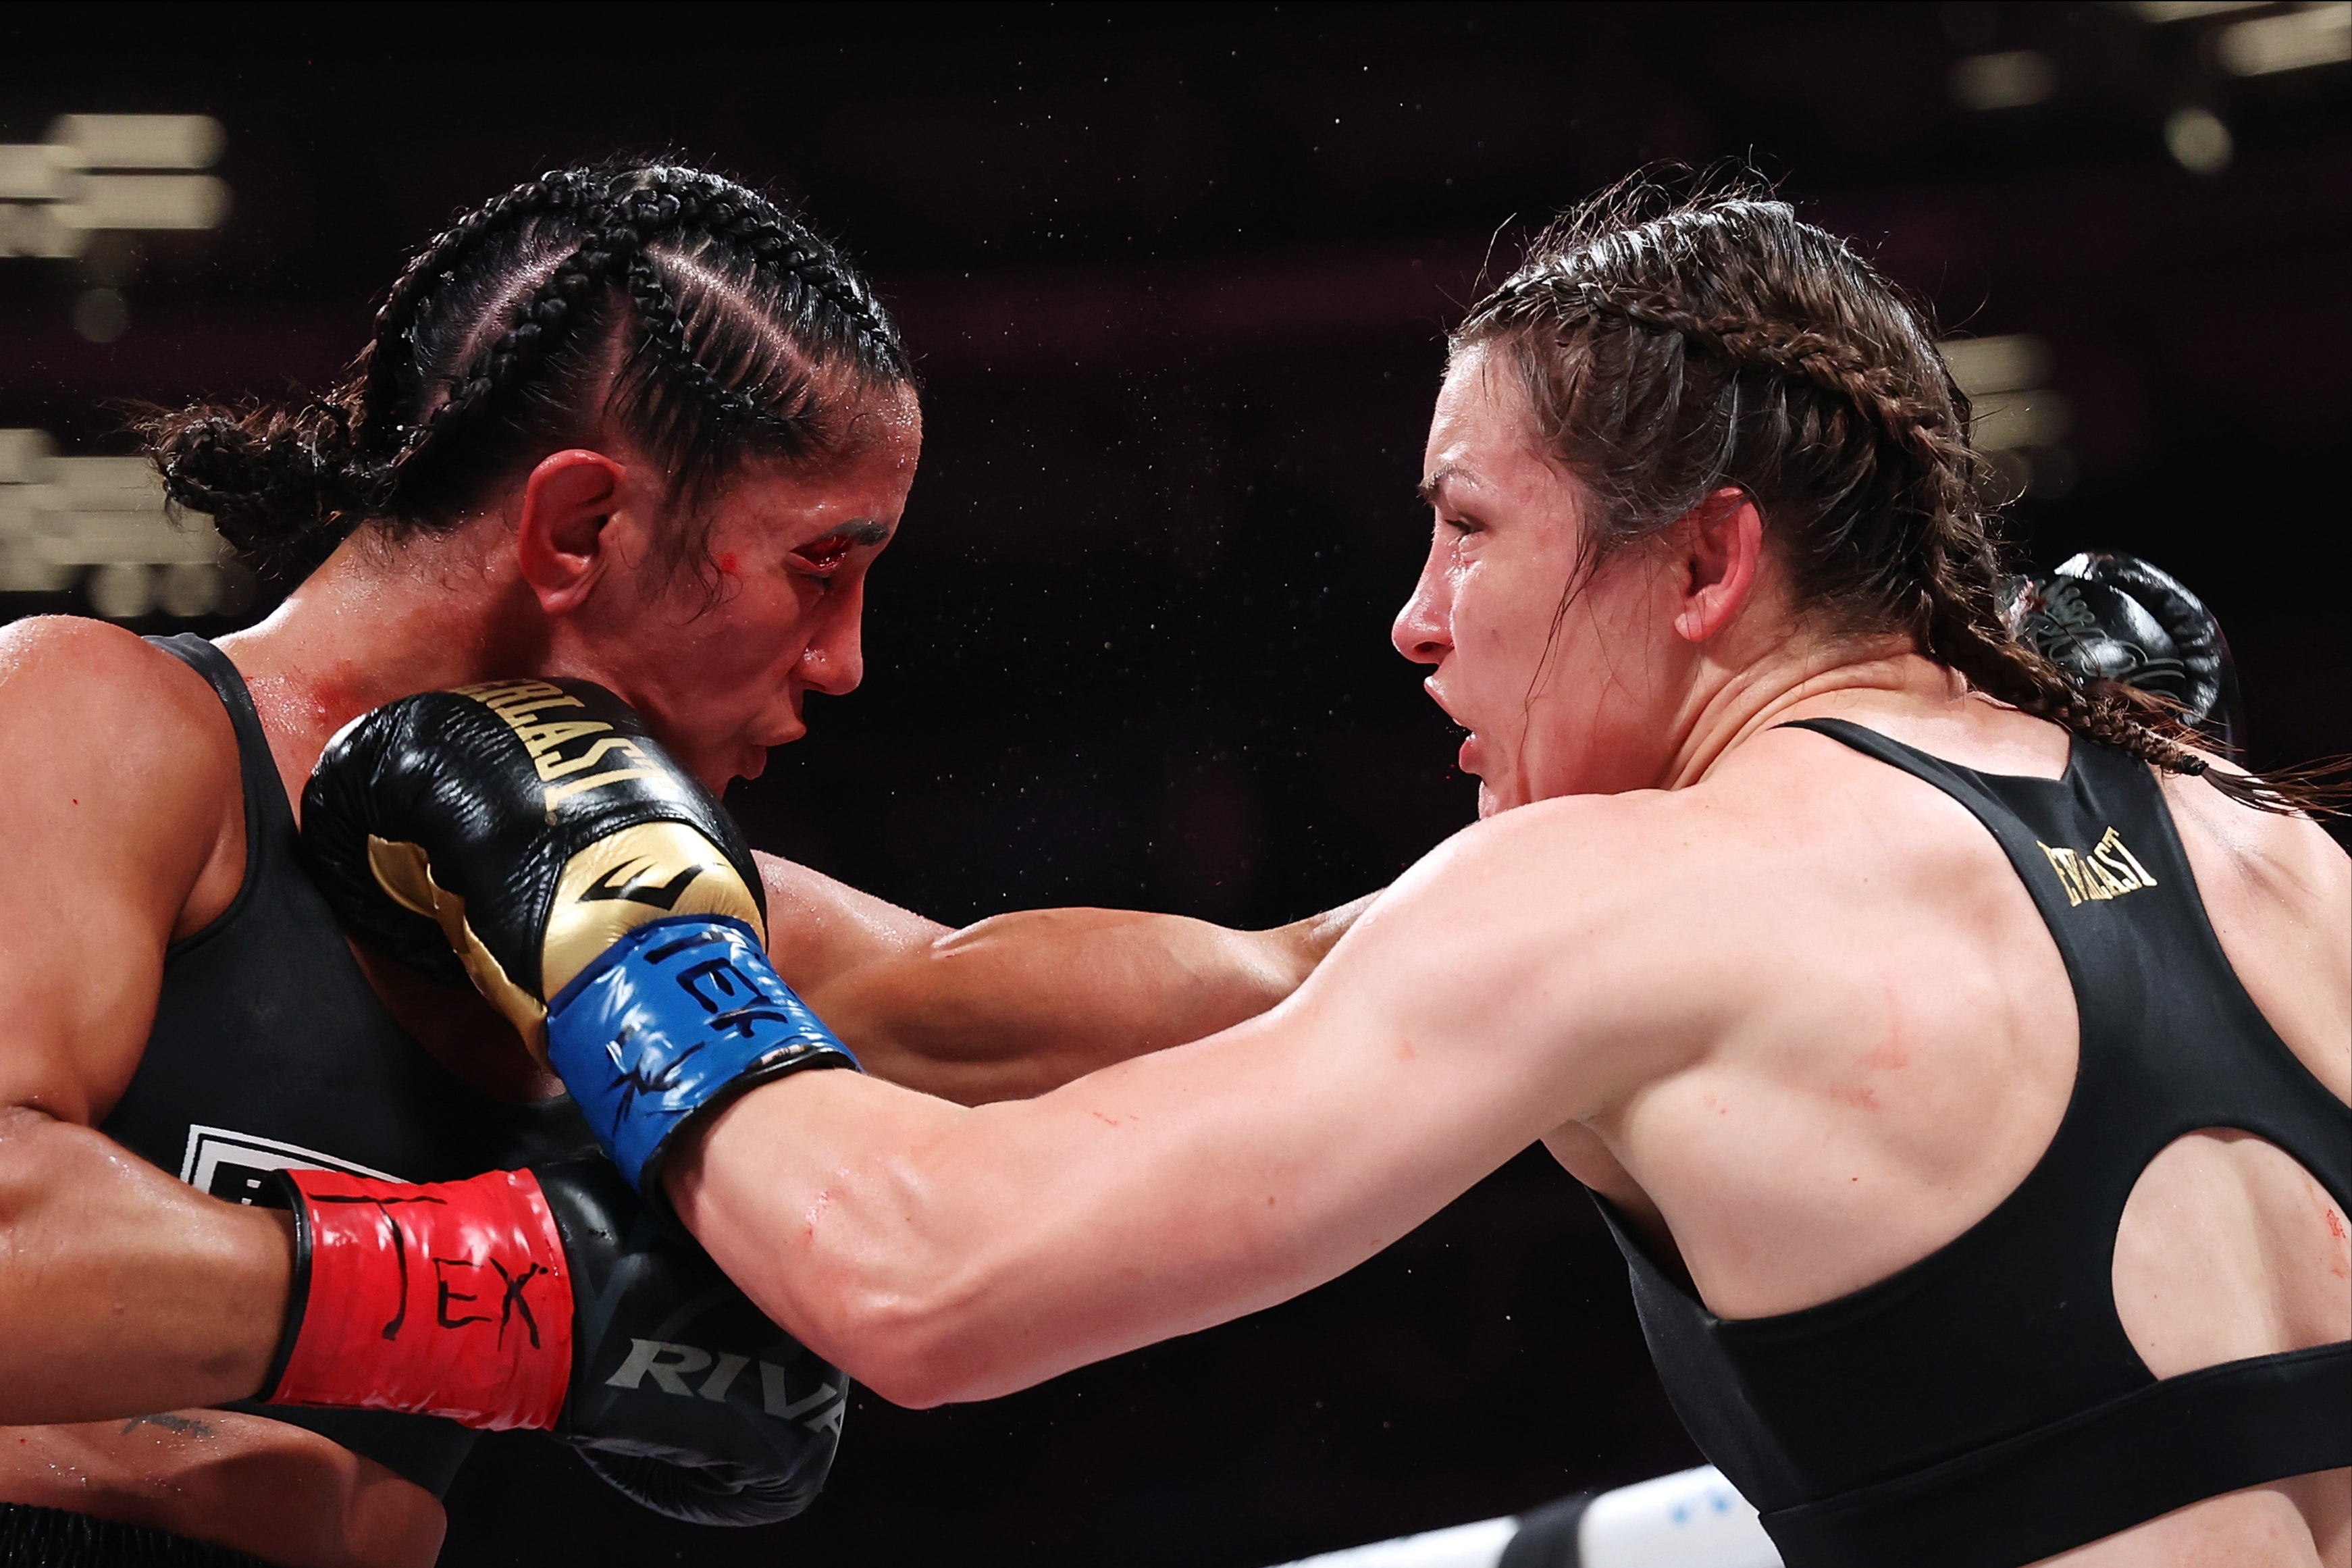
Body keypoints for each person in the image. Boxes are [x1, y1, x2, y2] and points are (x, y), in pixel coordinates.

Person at [340, 184, 2345, 1567]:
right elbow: (1268, 972)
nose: (1415, 619)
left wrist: (601, 918)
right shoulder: (2271, 851)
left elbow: (918, 1277)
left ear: (1708, 564)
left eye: (1469, 528)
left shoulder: (1609, 898)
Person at [0, 160, 1362, 1568]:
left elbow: (1198, 990)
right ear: (580, 527)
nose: (841, 662)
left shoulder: (605, 897)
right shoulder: (102, 721)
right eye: (817, 565)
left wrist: (1563, 877)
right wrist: (513, 1308)